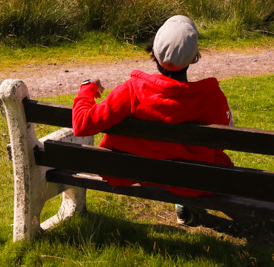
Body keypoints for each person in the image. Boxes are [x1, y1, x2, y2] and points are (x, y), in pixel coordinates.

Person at [71, 15, 232, 226]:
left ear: (154, 54)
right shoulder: (211, 97)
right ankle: (184, 204)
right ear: (194, 58)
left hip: (129, 172)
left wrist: (88, 87)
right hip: (192, 183)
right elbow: (225, 139)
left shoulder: (131, 91)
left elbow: (82, 124)